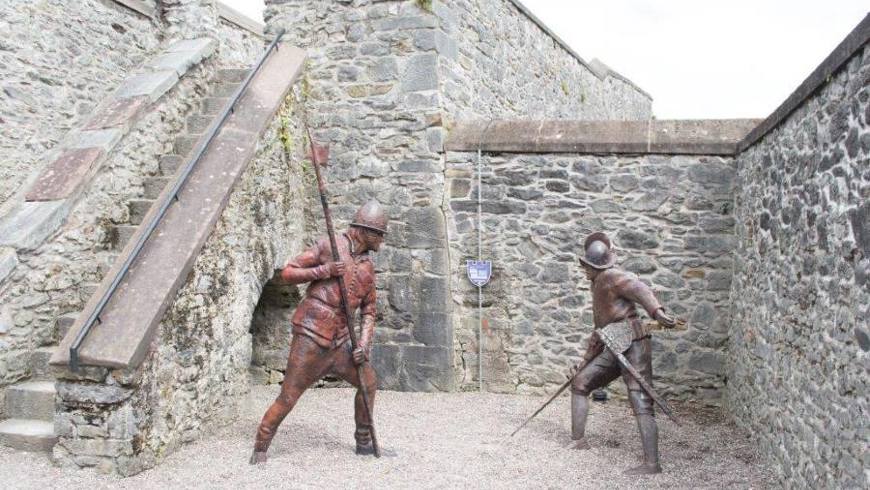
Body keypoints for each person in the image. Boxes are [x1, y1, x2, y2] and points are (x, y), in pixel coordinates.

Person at [249, 200, 387, 464]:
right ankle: (261, 446)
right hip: (311, 337)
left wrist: (364, 344)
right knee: (289, 396)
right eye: (379, 234)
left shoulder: (368, 267)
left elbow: (369, 311)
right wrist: (323, 271)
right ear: (367, 231)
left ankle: (364, 442)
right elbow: (289, 272)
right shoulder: (329, 246)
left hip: (342, 342)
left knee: (368, 383)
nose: (381, 241)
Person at [569, 231, 676, 475]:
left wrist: (656, 312)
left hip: (634, 344)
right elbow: (599, 330)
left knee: (640, 400)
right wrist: (584, 361)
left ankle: (652, 464)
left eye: (587, 266)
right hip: (614, 346)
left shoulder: (611, 276)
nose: (584, 270)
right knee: (580, 382)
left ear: (597, 266)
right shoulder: (597, 285)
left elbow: (638, 288)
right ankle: (578, 440)